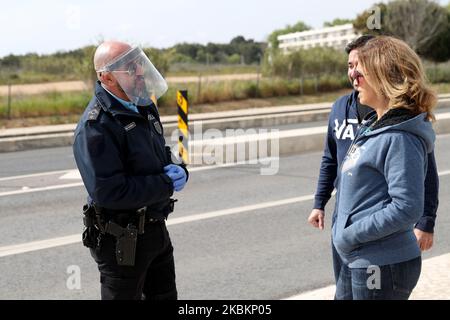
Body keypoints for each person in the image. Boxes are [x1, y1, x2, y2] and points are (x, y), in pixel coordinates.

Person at [307, 35, 439, 298]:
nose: (354, 77)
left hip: (380, 263)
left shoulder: (400, 137)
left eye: (362, 71)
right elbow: (333, 163)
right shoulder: (373, 126)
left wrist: (349, 235)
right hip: (359, 256)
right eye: (351, 69)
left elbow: (406, 206)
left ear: (386, 77)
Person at [73, 41, 188, 300]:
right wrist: (166, 184)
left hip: (156, 230)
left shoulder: (143, 106)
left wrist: (179, 168)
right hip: (121, 241)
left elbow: (159, 154)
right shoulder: (96, 127)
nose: (139, 71)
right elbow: (110, 191)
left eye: (138, 63)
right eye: (129, 66)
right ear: (106, 77)